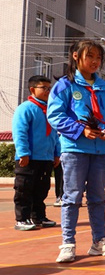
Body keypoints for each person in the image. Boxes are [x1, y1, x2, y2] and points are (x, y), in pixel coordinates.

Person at [47, 40, 105, 263]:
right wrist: (80, 130)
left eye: (98, 57)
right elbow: (55, 115)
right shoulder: (64, 86)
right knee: (72, 197)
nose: (95, 62)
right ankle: (68, 243)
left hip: (100, 151)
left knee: (98, 197)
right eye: (90, 56)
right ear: (75, 56)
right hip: (75, 149)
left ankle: (99, 241)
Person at [12, 75, 60, 230]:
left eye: (49, 88)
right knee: (24, 189)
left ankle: (38, 217)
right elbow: (20, 132)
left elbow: (55, 134)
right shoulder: (25, 108)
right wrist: (23, 153)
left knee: (42, 189)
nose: (47, 91)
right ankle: (22, 218)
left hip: (45, 157)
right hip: (29, 157)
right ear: (32, 89)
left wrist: (56, 153)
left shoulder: (50, 110)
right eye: (43, 88)